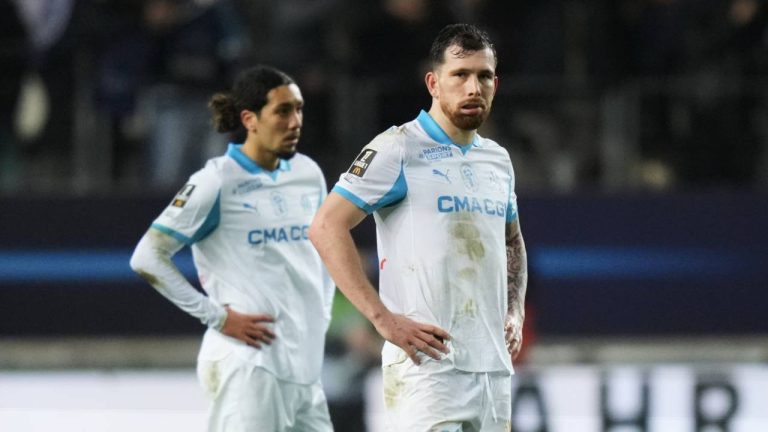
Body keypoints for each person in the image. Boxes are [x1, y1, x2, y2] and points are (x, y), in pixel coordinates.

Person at [309, 23, 528, 431]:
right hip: (427, 370)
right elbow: (325, 227)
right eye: (460, 75)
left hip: (492, 370)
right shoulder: (398, 148)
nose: (473, 88)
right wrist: (381, 319)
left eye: (484, 76)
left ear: (495, 84)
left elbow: (511, 241)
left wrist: (514, 312)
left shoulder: (497, 159)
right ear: (433, 83)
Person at [130, 65, 335, 432]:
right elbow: (147, 257)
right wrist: (217, 317)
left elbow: (324, 249)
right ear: (249, 119)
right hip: (248, 367)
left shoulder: (307, 173)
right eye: (283, 111)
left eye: (299, 109)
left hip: (303, 370)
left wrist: (321, 312)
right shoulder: (217, 181)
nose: (295, 122)